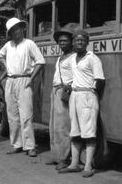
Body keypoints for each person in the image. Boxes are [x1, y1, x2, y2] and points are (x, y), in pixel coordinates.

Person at [0, 17, 46, 157]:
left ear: (22, 29)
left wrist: (32, 78)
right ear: (10, 33)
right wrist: (6, 67)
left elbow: (40, 61)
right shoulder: (8, 45)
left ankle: (30, 146)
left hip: (24, 80)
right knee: (12, 115)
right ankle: (16, 144)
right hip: (10, 81)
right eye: (13, 30)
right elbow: (0, 55)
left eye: (18, 28)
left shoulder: (29, 43)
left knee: (26, 115)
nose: (16, 31)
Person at [58, 30, 105, 178]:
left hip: (87, 95)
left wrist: (92, 96)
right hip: (75, 95)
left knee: (89, 133)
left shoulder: (93, 58)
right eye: (77, 40)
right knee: (75, 131)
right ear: (73, 42)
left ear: (87, 42)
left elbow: (100, 80)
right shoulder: (72, 59)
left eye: (82, 40)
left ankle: (88, 166)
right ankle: (74, 164)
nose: (79, 43)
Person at [46, 29, 75, 170]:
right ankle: (56, 156)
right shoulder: (61, 57)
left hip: (64, 92)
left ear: (71, 42)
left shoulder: (73, 57)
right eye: (60, 41)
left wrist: (68, 88)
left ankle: (64, 158)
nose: (62, 43)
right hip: (55, 91)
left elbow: (77, 75)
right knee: (53, 125)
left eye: (65, 41)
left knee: (63, 126)